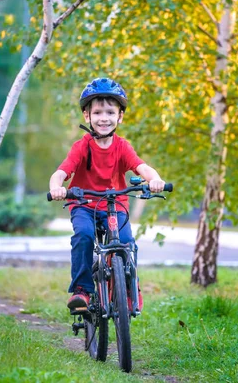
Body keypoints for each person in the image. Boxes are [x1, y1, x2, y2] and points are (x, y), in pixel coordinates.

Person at [49, 77, 166, 312]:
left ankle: (130, 289)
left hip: (115, 205)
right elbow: (61, 172)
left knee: (126, 243)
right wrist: (57, 187)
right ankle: (82, 290)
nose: (104, 118)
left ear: (120, 117)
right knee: (83, 235)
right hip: (84, 204)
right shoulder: (81, 146)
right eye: (98, 112)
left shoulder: (122, 146)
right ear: (87, 116)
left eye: (110, 112)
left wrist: (155, 180)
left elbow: (142, 167)